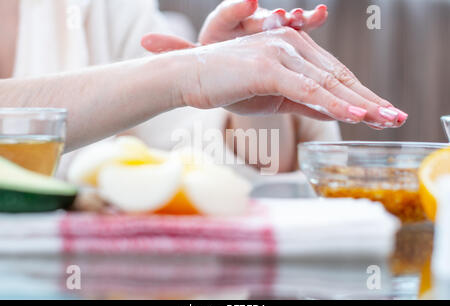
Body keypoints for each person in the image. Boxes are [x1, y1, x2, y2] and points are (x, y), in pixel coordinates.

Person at [0, 0, 407, 176]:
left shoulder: (105, 9)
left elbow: (214, 162)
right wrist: (184, 74)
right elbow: (174, 80)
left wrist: (250, 93)